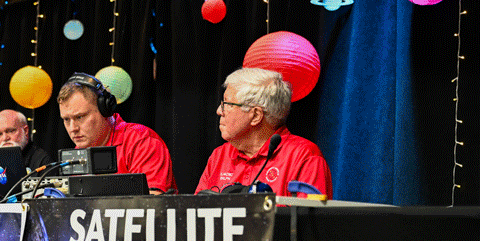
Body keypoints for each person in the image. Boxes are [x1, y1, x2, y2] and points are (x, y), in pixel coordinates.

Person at [194, 68, 333, 198]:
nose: (219, 111)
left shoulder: (304, 157)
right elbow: (195, 211)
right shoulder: (220, 156)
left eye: (228, 104)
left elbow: (309, 215)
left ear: (256, 116)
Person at [57, 73, 177, 194]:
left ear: (104, 110)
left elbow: (153, 199)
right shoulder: (77, 153)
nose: (73, 128)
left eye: (80, 117)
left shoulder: (141, 141)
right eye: (66, 119)